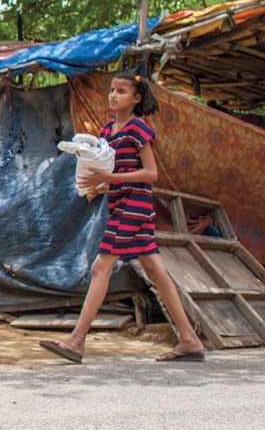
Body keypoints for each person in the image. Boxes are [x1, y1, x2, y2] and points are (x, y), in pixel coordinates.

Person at [41, 70, 206, 364]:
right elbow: (114, 172)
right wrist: (100, 185)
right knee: (155, 270)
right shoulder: (107, 132)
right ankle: (190, 340)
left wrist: (109, 177)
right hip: (119, 202)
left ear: (137, 98)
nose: (113, 95)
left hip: (135, 204)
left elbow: (150, 173)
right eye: (112, 90)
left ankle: (77, 340)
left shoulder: (138, 129)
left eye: (121, 91)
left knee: (99, 267)